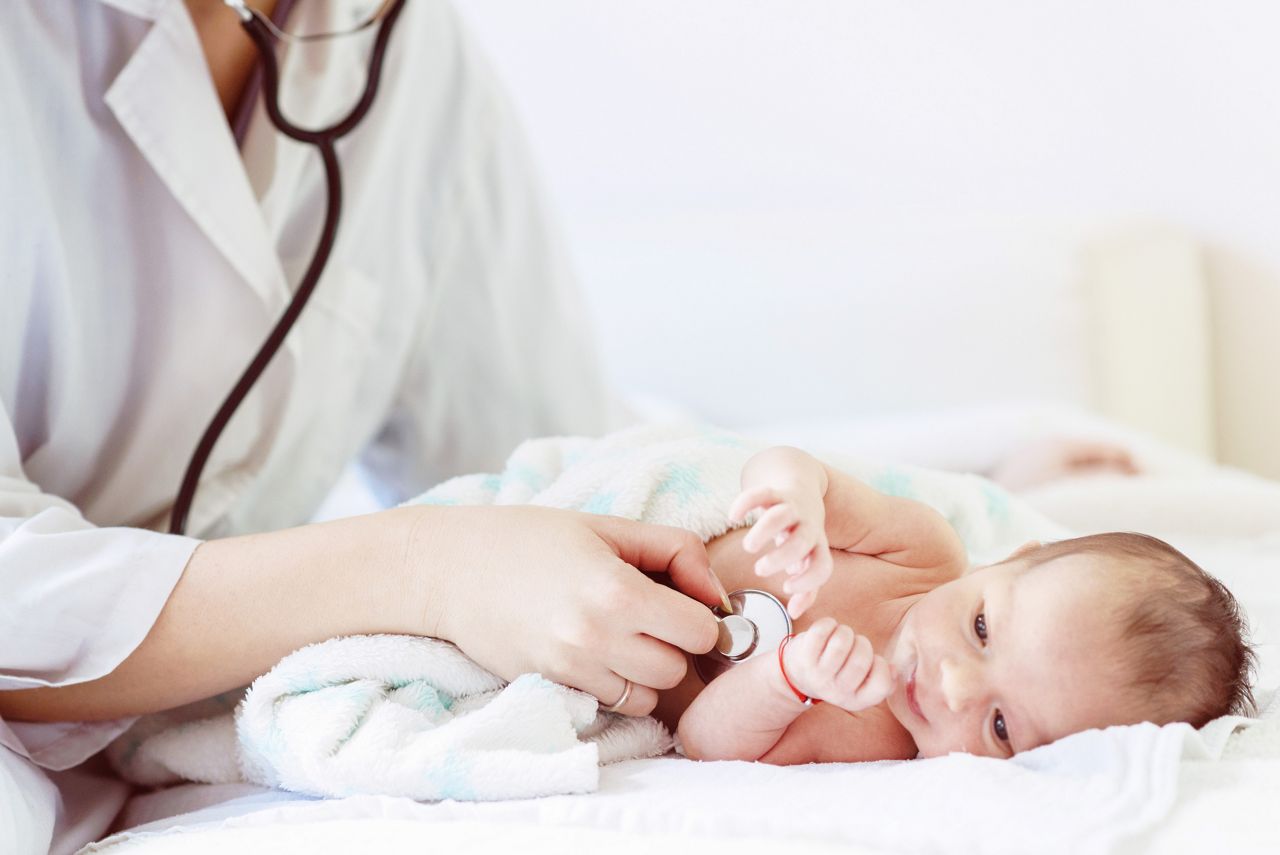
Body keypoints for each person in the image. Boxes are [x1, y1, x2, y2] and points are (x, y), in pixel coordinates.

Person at [0, 2, 724, 852]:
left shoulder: (406, 45)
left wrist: (755, 512)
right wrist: (426, 566)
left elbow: (555, 461)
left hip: (154, 753)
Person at [664, 446, 1257, 762]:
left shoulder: (876, 736)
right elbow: (791, 464)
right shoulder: (920, 551)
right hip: (663, 525)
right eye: (980, 628)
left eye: (999, 726)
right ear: (1007, 559)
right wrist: (794, 500)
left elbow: (704, 740)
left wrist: (784, 680)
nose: (952, 687)